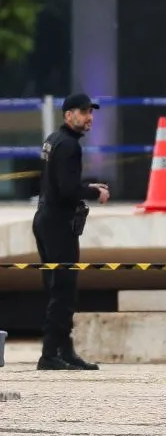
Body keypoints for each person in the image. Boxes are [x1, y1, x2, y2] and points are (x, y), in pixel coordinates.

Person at [33, 92, 110, 370]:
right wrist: (93, 190)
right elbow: (67, 190)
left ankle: (65, 352)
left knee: (57, 288)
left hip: (45, 219)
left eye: (91, 111)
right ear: (69, 116)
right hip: (57, 224)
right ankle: (50, 355)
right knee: (63, 290)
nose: (89, 117)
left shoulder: (54, 140)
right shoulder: (69, 145)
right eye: (83, 112)